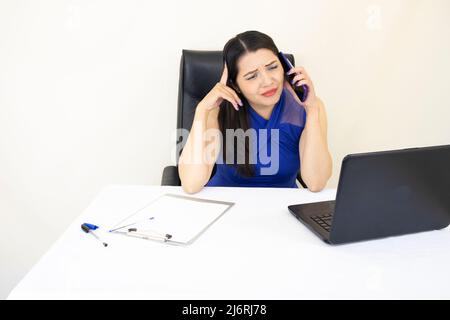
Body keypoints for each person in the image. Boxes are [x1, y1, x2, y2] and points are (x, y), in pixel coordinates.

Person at [178, 30, 332, 194]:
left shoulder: (309, 108)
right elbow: (191, 184)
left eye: (273, 67)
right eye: (252, 76)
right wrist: (202, 110)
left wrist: (312, 110)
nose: (267, 81)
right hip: (227, 205)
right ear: (235, 85)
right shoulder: (218, 111)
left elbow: (316, 183)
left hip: (281, 209)